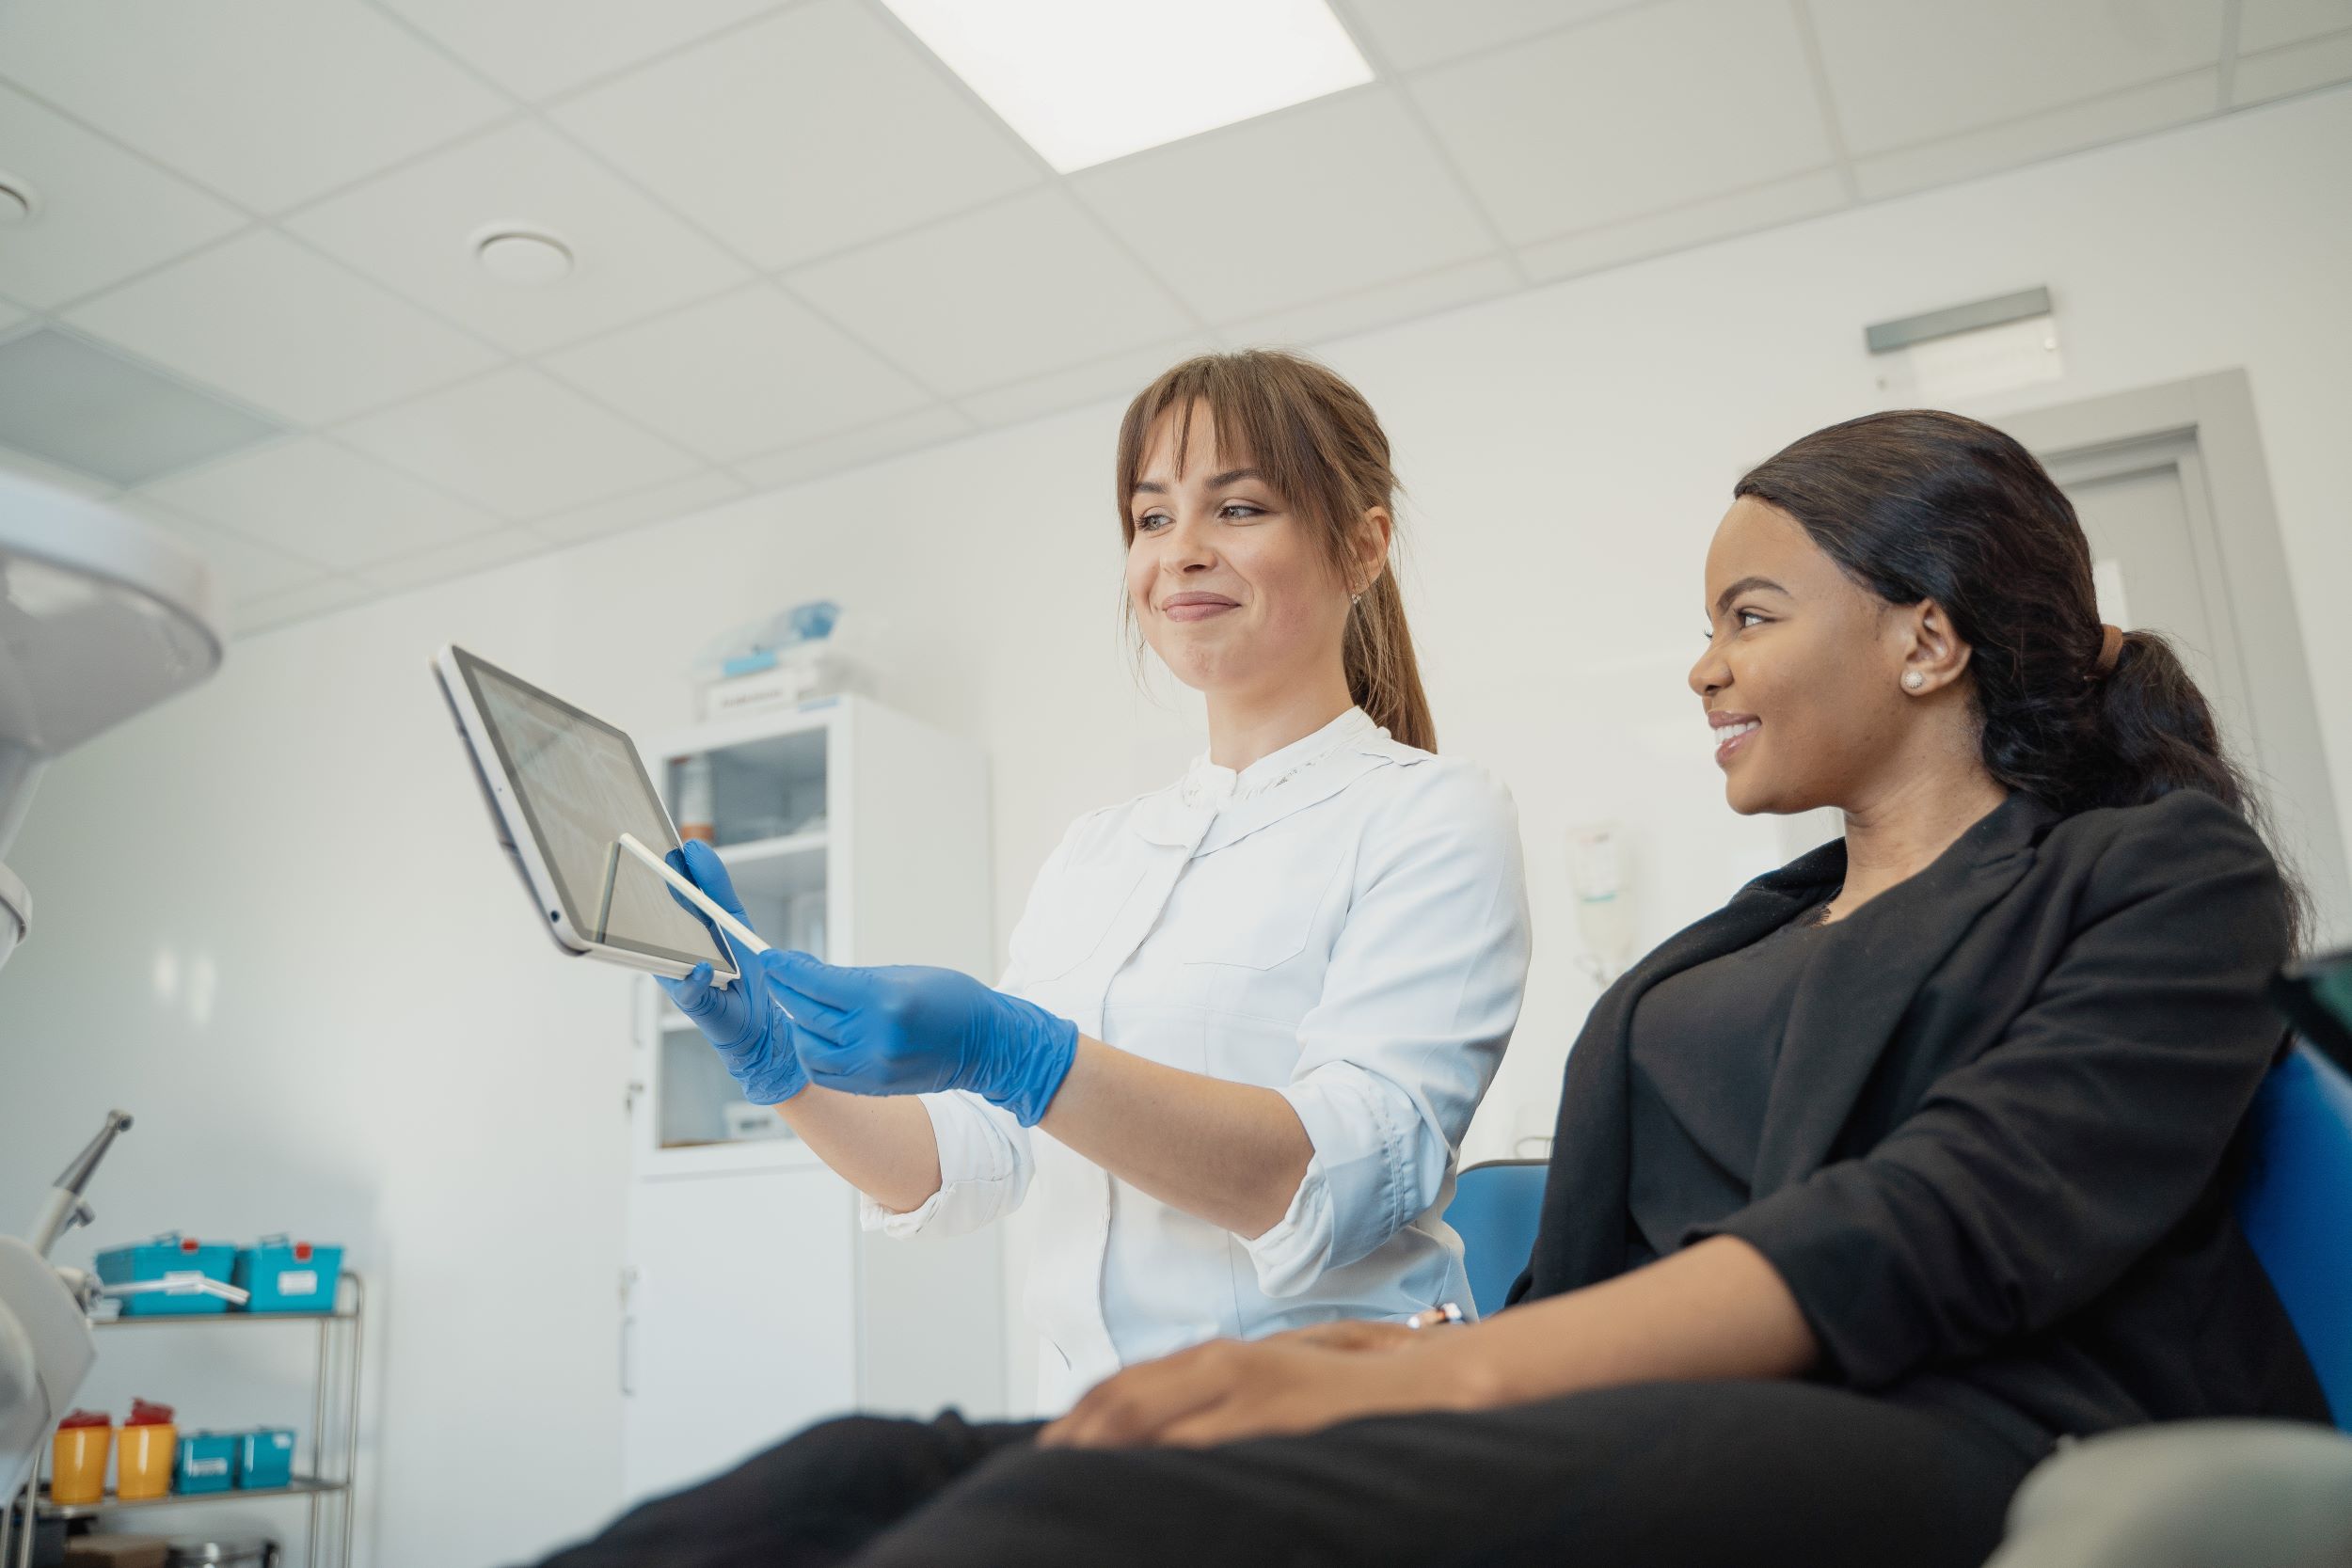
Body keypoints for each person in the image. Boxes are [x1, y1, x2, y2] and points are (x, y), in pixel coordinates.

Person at [532, 409, 2328, 1568]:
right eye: (1151, 513)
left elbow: (1936, 1224)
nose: (1703, 664)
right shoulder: (1737, 944)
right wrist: (785, 1055)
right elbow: (1577, 1273)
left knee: (1042, 1530)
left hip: (1946, 1420)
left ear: (1929, 635)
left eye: (1753, 615)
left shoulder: (2151, 870)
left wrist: (1431, 1386)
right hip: (1626, 1393)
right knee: (848, 1474)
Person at [658, 349, 1531, 1411]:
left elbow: (1340, 1180)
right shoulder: (1098, 851)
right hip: (1099, 1429)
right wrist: (780, 1060)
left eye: (1239, 507)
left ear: (1361, 545)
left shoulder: (1431, 815)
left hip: (1323, 1431)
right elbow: (965, 1163)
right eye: (1151, 517)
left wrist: (1023, 1052)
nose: (1183, 554)